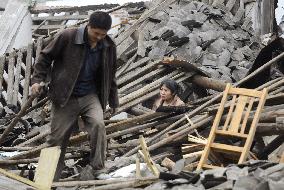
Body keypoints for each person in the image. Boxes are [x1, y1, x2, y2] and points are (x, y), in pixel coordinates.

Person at [31, 11, 119, 181]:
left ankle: (98, 168)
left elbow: (111, 74)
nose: (99, 37)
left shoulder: (109, 46)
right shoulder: (68, 36)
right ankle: (47, 177)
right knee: (57, 138)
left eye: (103, 34)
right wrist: (37, 80)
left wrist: (114, 100)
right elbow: (45, 57)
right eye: (96, 33)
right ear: (88, 26)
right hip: (65, 96)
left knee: (98, 125)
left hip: (90, 95)